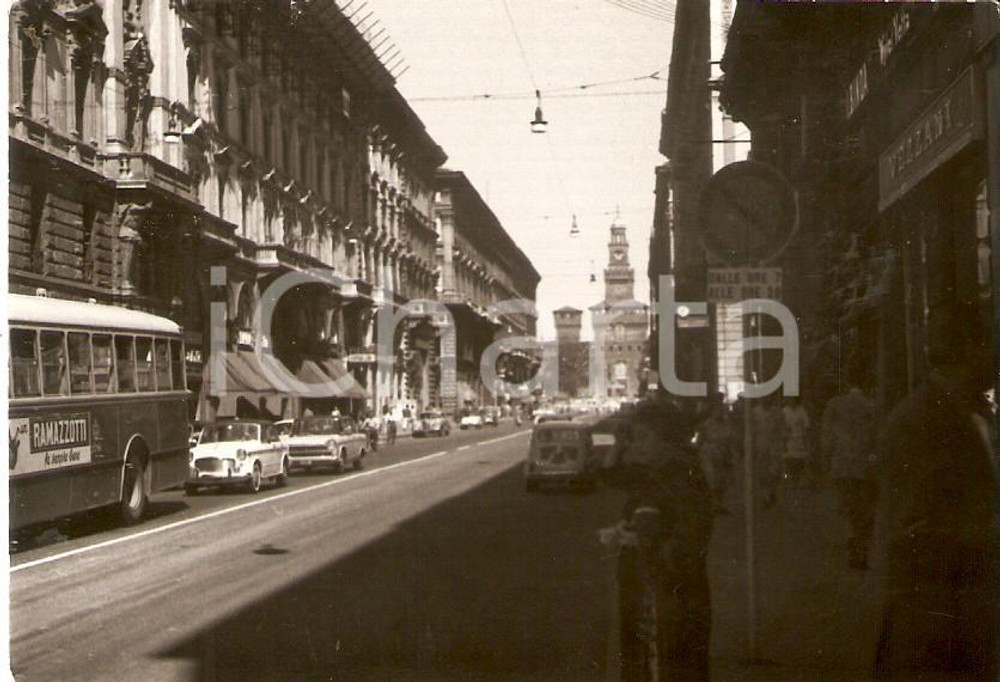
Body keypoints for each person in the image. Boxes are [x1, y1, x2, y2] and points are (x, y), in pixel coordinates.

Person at [874, 302, 997, 680]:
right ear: (969, 349)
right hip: (936, 631)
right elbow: (918, 531)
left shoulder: (971, 412)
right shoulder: (921, 421)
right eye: (990, 342)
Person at [601, 397, 714, 680]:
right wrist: (620, 442)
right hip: (651, 599)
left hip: (669, 603)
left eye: (643, 437)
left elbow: (687, 544)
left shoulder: (679, 479)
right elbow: (610, 474)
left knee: (667, 670)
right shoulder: (655, 473)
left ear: (667, 440)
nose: (635, 445)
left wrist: (639, 540)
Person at [821, 377, 877, 570]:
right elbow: (877, 436)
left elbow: (827, 439)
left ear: (846, 385)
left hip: (842, 465)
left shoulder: (834, 405)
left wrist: (826, 460)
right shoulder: (872, 405)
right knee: (865, 508)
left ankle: (852, 540)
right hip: (866, 466)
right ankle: (863, 548)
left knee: (846, 507)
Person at [696, 400, 736, 515]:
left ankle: (719, 504)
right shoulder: (706, 424)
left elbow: (730, 440)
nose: (719, 412)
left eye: (721, 410)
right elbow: (700, 440)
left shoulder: (727, 424)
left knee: (723, 482)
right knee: (712, 480)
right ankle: (713, 504)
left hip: (723, 454)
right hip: (709, 454)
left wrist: (731, 454)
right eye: (717, 410)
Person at [752, 395, 784, 507]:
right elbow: (752, 429)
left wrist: (782, 444)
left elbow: (781, 428)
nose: (765, 400)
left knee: (774, 472)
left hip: (774, 445)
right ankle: (766, 496)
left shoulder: (777, 412)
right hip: (760, 445)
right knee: (762, 473)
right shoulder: (755, 412)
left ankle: (771, 491)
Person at [781, 396, 811, 486]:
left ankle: (798, 480)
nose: (791, 401)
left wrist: (806, 440)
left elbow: (806, 426)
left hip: (800, 440)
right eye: (789, 399)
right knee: (789, 461)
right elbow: (781, 426)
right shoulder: (784, 411)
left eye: (793, 399)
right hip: (788, 440)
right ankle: (789, 481)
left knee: (800, 461)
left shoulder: (801, 411)